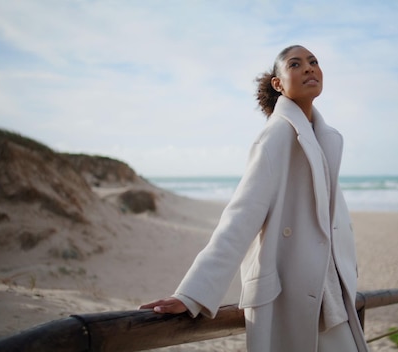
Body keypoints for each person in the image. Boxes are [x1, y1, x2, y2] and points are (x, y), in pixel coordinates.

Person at [139, 45, 370, 352]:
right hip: (291, 294)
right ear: (278, 83)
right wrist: (192, 293)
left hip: (331, 294)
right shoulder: (275, 137)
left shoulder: (323, 137)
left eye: (314, 62)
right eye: (296, 64)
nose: (309, 68)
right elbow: (240, 218)